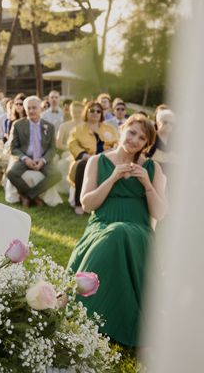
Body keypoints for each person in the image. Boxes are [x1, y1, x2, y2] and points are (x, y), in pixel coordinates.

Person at [67, 114, 166, 347]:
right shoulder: (96, 161)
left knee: (119, 233)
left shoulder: (152, 168)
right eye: (132, 132)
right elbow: (87, 204)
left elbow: (160, 213)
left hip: (139, 229)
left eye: (142, 138)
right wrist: (112, 177)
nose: (134, 140)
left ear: (146, 145)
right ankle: (82, 316)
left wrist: (147, 185)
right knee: (113, 235)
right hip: (102, 224)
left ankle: (95, 314)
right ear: (122, 129)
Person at [6, 96, 61, 207]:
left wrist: (43, 160)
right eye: (28, 108)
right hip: (25, 159)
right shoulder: (18, 125)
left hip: (42, 159)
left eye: (34, 108)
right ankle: (34, 197)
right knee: (11, 173)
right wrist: (25, 159)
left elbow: (52, 148)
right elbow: (13, 148)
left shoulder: (49, 126)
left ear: (40, 109)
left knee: (57, 175)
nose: (31, 111)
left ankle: (28, 196)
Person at [67, 101, 119, 215]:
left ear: (101, 114)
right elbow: (72, 144)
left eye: (98, 111)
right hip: (86, 159)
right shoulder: (78, 129)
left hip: (106, 159)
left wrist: (111, 151)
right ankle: (79, 204)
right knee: (82, 166)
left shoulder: (109, 129)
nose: (95, 113)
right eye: (92, 110)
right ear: (86, 112)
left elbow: (117, 144)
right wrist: (84, 155)